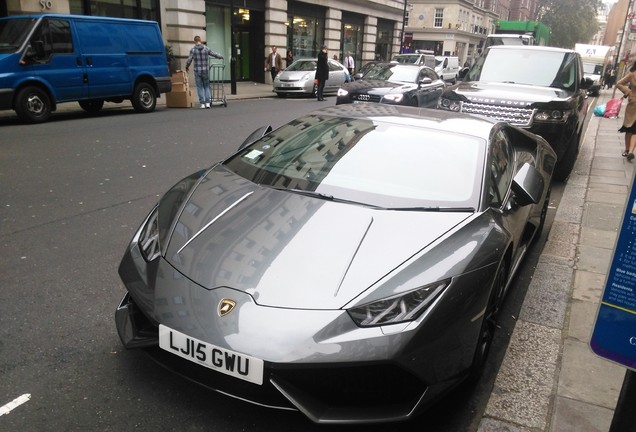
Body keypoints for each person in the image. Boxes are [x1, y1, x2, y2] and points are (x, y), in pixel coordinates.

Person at [185, 35, 224, 109]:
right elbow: (213, 53)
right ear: (200, 40)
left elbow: (189, 60)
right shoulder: (206, 48)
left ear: (194, 41)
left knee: (199, 87)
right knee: (206, 87)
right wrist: (220, 56)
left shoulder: (193, 50)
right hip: (205, 70)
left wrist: (186, 67)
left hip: (197, 71)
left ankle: (202, 104)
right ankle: (208, 103)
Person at [616, 61, 636, 160]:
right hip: (633, 105)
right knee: (629, 129)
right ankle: (627, 149)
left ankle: (631, 151)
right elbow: (619, 84)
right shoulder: (632, 75)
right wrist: (628, 92)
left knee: (635, 130)